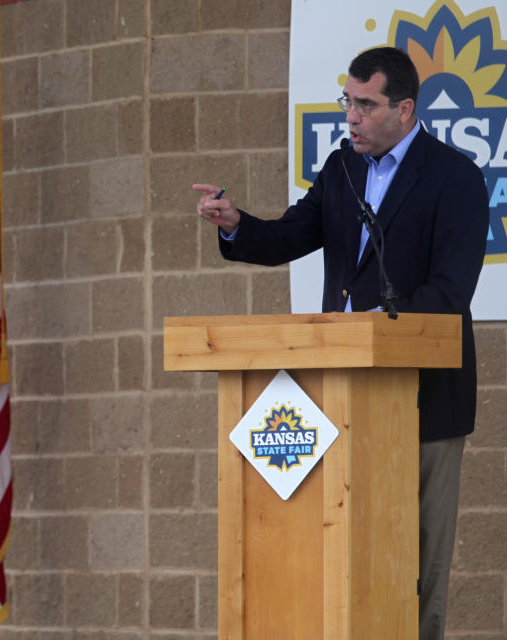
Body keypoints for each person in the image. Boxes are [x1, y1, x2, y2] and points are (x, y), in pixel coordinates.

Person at [193, 47, 488, 640]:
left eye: (365, 105)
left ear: (405, 109)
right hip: (341, 397)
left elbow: (451, 292)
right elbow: (284, 238)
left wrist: (379, 322)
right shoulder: (341, 170)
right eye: (346, 102)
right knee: (345, 544)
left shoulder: (455, 177)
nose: (350, 117)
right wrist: (234, 224)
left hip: (424, 401)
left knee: (417, 563)